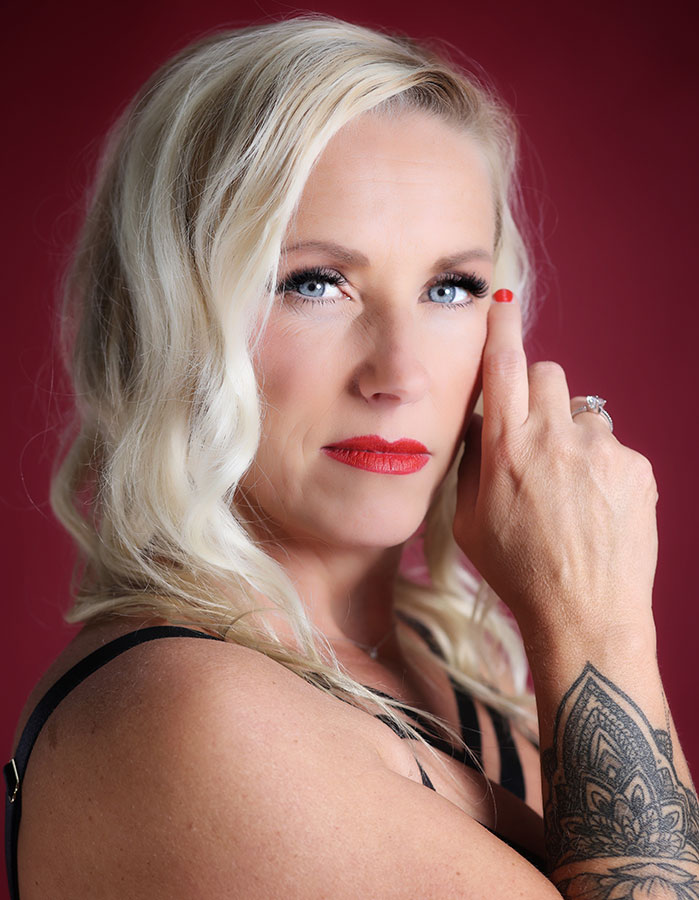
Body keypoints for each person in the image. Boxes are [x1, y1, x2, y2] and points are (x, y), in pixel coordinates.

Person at [5, 14, 697, 899]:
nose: (399, 375)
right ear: (167, 314)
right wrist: (598, 622)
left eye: (450, 287)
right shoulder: (197, 717)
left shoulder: (435, 664)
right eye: (315, 282)